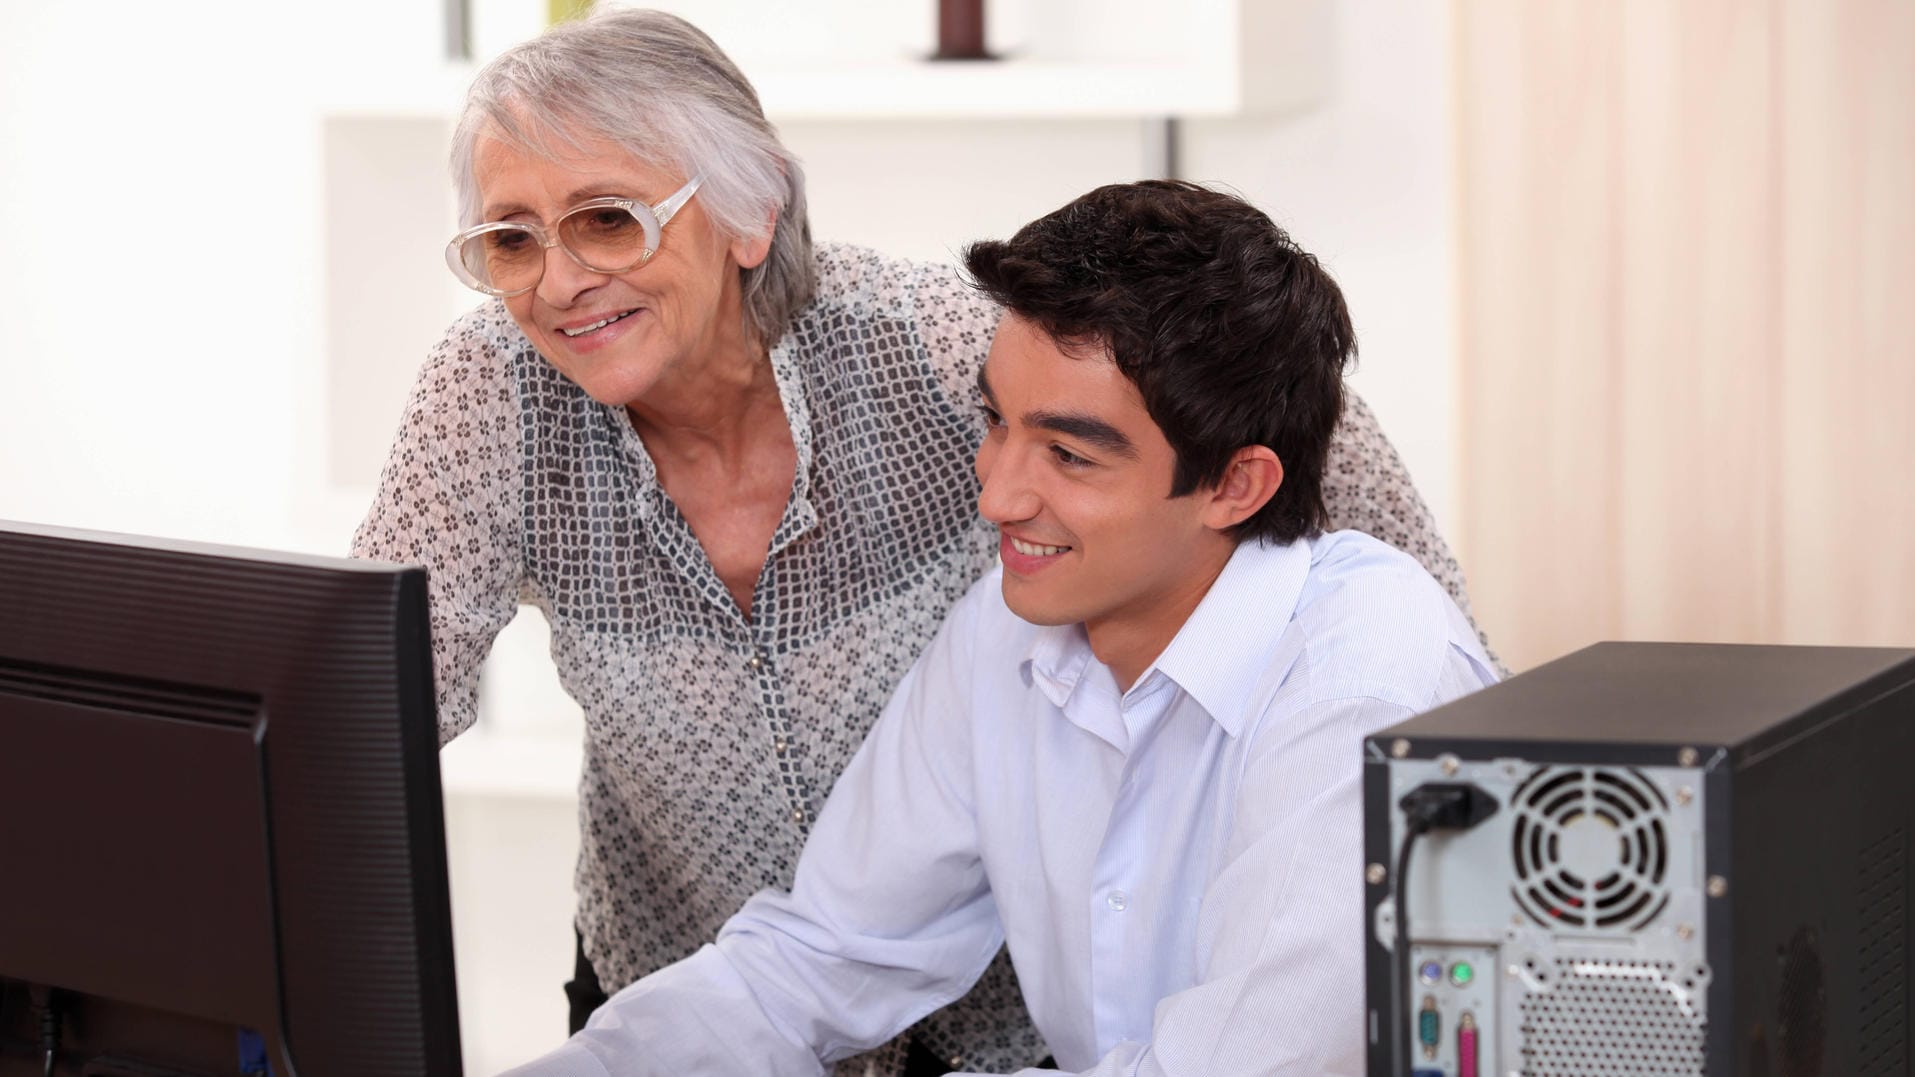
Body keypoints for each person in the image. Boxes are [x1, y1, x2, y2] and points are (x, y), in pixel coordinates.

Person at [350, 10, 1491, 1076]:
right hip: (687, 968)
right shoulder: (1009, 629)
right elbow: (819, 955)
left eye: (608, 218)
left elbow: (1295, 456)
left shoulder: (943, 345)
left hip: (998, 1036)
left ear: (753, 213)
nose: (994, 495)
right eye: (509, 239)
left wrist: (1434, 726)